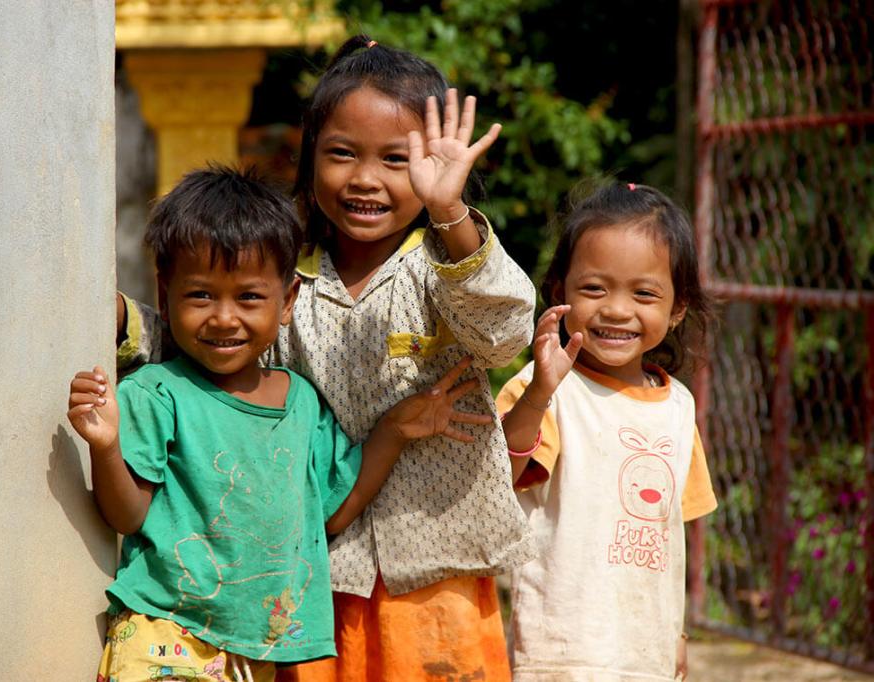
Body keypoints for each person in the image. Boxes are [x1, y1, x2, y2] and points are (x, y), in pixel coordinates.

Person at [117, 36, 538, 680]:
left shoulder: (445, 263)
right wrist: (120, 322)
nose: (366, 179)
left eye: (396, 160)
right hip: (314, 573)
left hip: (436, 565)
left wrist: (450, 211)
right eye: (342, 153)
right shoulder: (288, 277)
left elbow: (506, 332)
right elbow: (205, 341)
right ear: (311, 157)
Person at [70, 167, 493, 682]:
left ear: (288, 300)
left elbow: (333, 512)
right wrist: (105, 446)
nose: (224, 318)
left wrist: (394, 431)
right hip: (165, 635)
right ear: (165, 295)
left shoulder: (302, 403)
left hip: (256, 652)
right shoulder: (156, 392)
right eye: (200, 295)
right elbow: (128, 515)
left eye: (249, 297)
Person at [496, 181, 719, 681]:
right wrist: (537, 396)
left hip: (646, 653)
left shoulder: (678, 407)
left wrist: (677, 634)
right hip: (559, 653)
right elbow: (495, 480)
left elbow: (669, 533)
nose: (617, 309)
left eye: (644, 293)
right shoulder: (543, 388)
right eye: (595, 288)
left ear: (678, 308)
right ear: (560, 292)